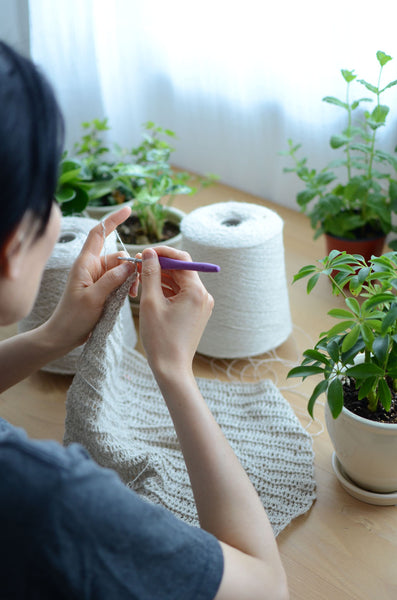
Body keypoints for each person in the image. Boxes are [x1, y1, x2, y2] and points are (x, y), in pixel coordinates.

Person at [0, 41, 288, 599]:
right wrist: (174, 369)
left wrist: (52, 338)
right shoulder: (48, 500)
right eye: (50, 191)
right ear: (13, 244)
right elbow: (266, 587)